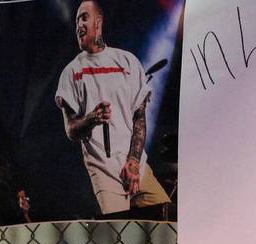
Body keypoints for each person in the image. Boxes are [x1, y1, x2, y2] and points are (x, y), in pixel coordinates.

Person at [55, 0, 170, 216]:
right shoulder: (71, 72)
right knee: (120, 229)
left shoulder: (127, 61)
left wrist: (134, 163)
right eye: (76, 19)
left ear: (98, 21)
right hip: (103, 171)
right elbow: (71, 130)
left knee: (166, 219)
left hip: (136, 167)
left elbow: (139, 117)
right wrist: (92, 118)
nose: (78, 24)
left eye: (83, 17)